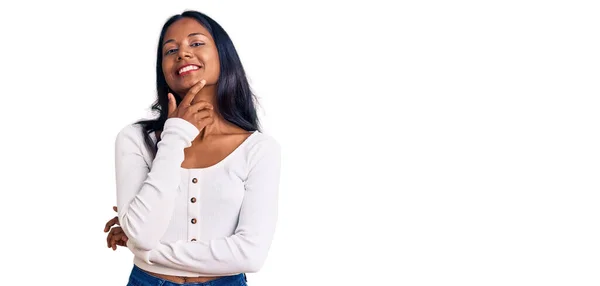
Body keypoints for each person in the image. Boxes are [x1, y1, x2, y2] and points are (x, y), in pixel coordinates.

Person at [102, 10, 281, 286]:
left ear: (223, 55)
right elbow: (143, 233)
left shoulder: (258, 149)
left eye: (196, 43)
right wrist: (175, 136)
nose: (182, 53)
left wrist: (145, 249)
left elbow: (250, 254)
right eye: (170, 50)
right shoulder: (134, 139)